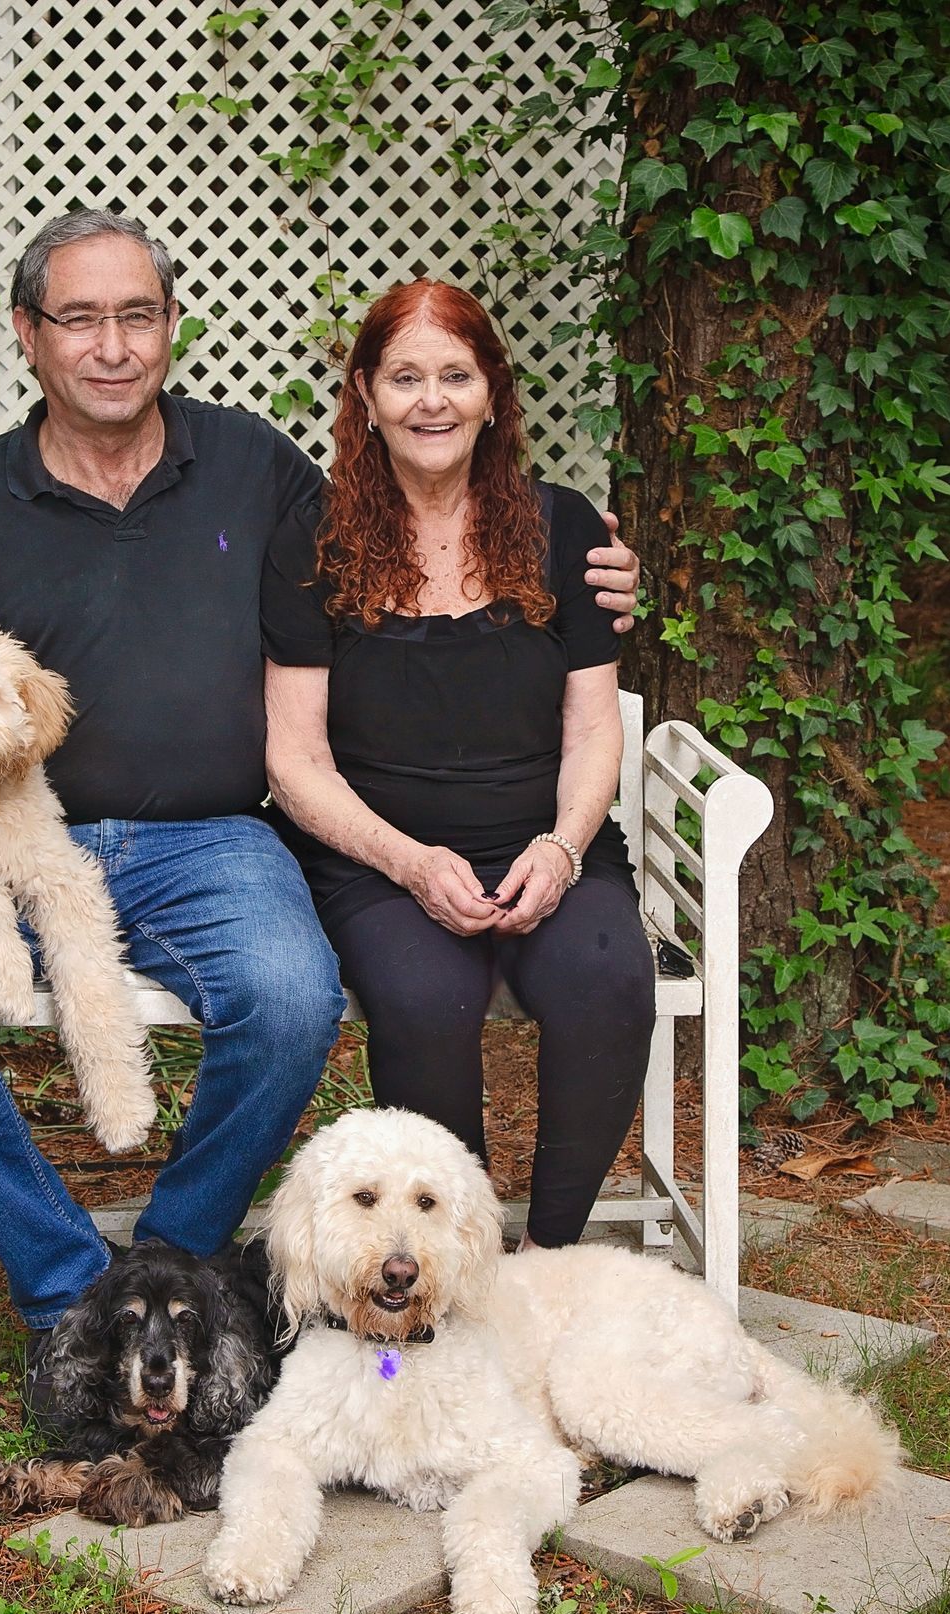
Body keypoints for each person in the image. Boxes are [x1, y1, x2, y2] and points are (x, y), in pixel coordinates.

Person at [0, 212, 645, 1363]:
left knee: (292, 997)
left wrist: (585, 560)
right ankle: (68, 1294)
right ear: (28, 335)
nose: (112, 346)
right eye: (80, 319)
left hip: (209, 838)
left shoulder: (249, 465)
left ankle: (175, 1263)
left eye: (136, 316)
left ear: (171, 329)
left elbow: (399, 519)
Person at [262, 280, 657, 1251]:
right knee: (426, 998)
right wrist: (408, 863)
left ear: (492, 393)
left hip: (544, 842)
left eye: (455, 376)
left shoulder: (565, 530)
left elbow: (593, 731)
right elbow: (296, 759)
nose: (431, 401)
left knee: (609, 980)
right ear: (366, 394)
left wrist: (562, 850)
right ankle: (457, 1264)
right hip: (376, 860)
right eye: (405, 378)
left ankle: (549, 1259)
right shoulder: (313, 542)